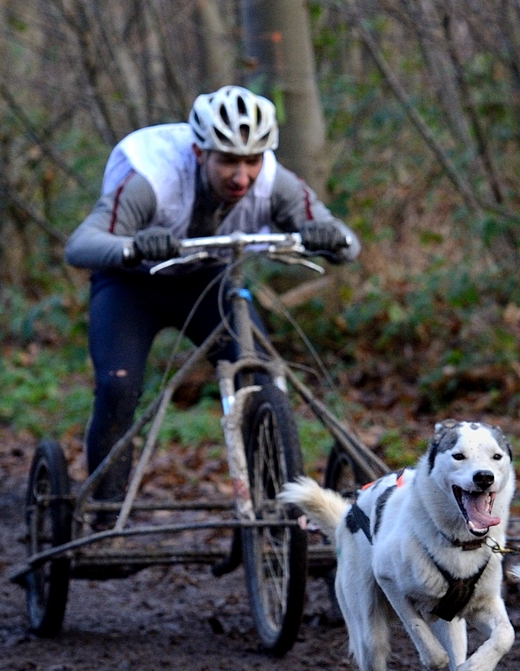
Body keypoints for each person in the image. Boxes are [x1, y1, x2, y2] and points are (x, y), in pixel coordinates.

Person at [65, 85, 360, 498]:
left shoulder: (275, 182)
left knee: (259, 378)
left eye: (252, 161)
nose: (242, 177)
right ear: (200, 152)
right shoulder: (153, 180)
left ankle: (267, 509)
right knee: (118, 386)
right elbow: (80, 245)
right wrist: (134, 246)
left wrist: (325, 238)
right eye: (228, 161)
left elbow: (348, 244)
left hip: (207, 282)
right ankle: (105, 507)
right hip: (131, 286)